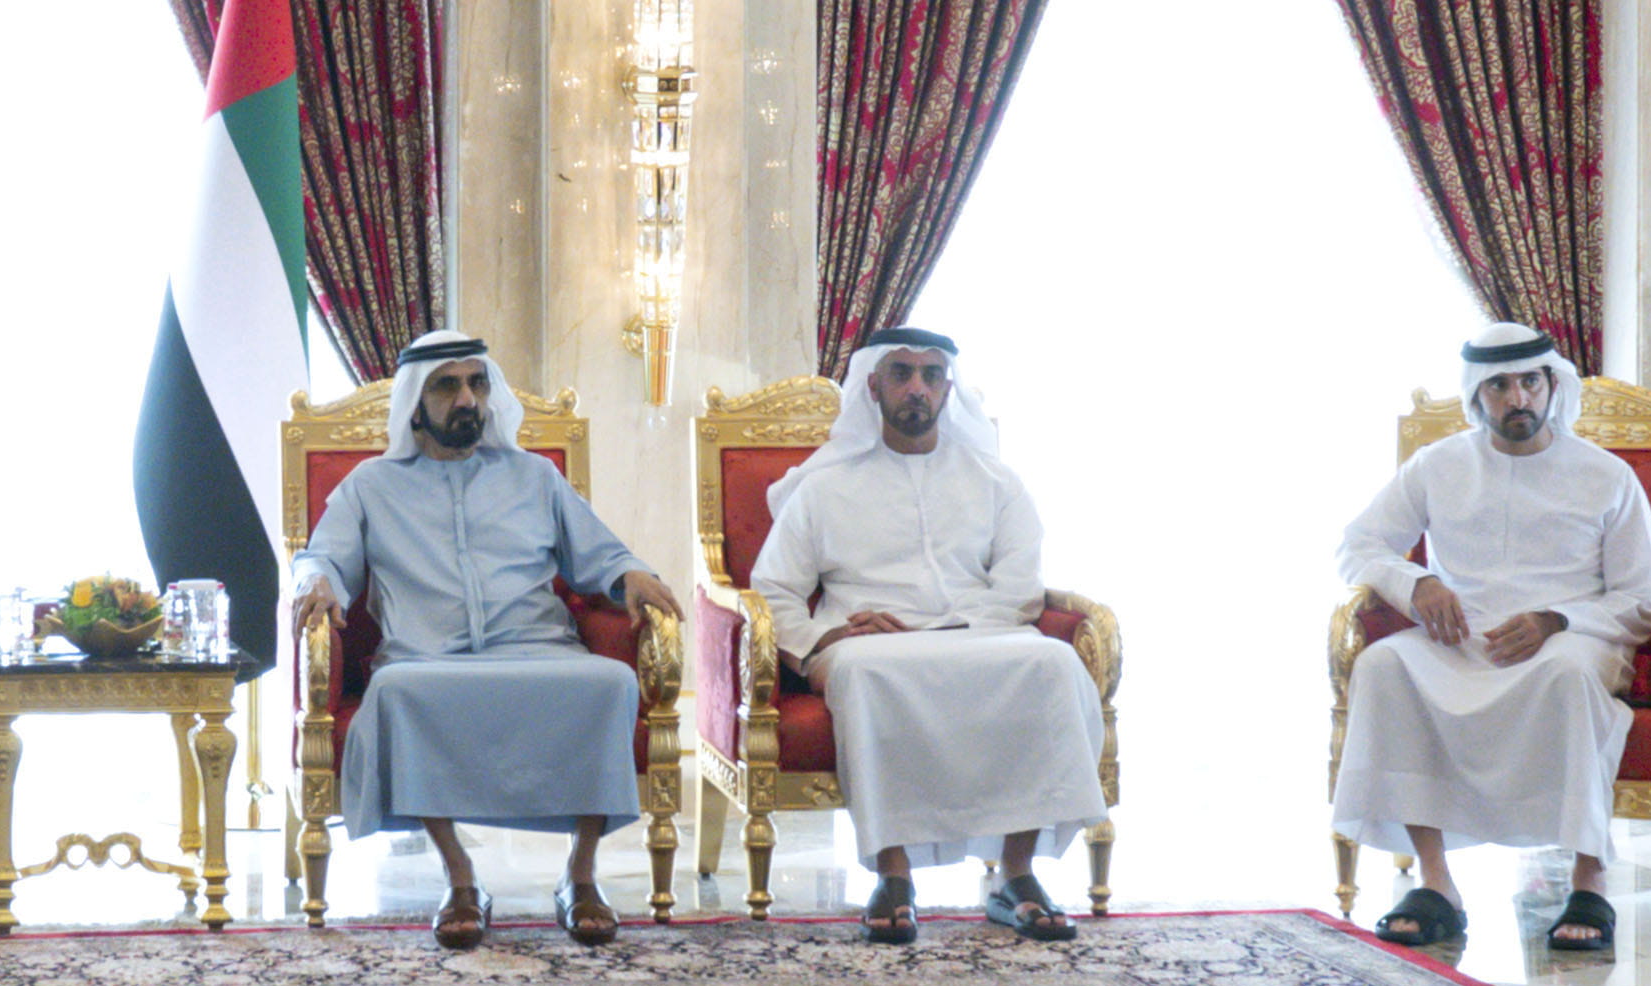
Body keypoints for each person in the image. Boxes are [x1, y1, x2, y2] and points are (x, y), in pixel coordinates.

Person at [296, 330, 666, 949]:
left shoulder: (536, 476)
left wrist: (631, 573)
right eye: (448, 386)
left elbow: (598, 552)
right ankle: (460, 877)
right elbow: (323, 557)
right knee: (397, 692)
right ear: (416, 404)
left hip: (536, 647)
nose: (467, 399)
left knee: (612, 681)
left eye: (477, 383)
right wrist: (317, 581)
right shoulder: (370, 486)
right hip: (425, 657)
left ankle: (580, 874)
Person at [748, 324, 1105, 946]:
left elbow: (1021, 587)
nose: (917, 387)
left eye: (931, 376)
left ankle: (1017, 874)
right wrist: (823, 640)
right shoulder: (825, 487)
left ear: (947, 389)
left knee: (1053, 664)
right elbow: (773, 587)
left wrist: (945, 622)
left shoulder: (995, 481)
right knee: (868, 675)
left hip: (977, 630)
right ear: (874, 386)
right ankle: (893, 875)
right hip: (863, 644)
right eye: (902, 374)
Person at [1330, 321, 1651, 960]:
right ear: (1477, 395)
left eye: (1530, 382)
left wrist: (1555, 620)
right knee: (1384, 665)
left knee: (1566, 673)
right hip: (1464, 639)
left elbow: (1641, 602)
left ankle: (1588, 882)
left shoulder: (1607, 475)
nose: (1518, 399)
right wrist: (1417, 583)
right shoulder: (1439, 465)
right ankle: (1436, 884)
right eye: (1500, 386)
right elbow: (1357, 545)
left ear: (1552, 385)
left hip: (1574, 638)